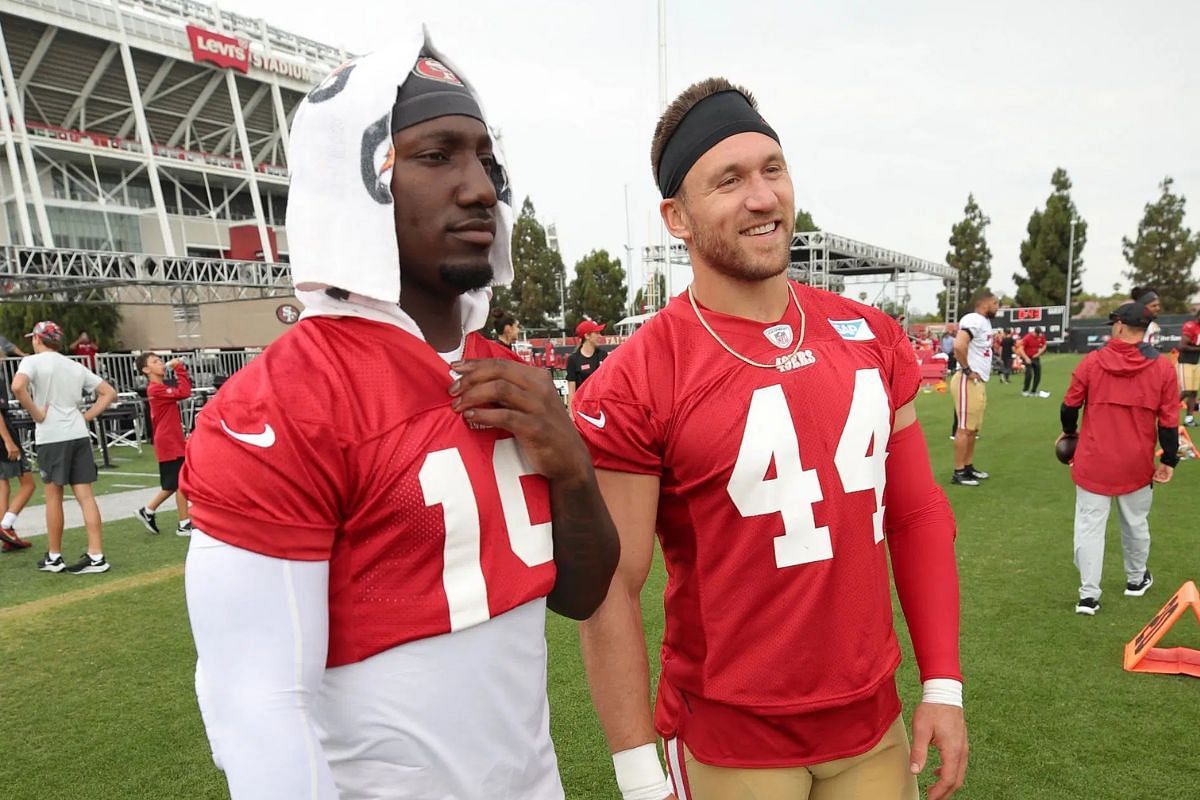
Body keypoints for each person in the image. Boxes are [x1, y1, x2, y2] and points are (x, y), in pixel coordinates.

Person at [180, 39, 619, 800]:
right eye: (437, 156)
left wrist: (574, 467)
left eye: (485, 159)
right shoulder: (288, 400)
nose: (480, 188)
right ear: (355, 183)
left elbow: (581, 594)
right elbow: (255, 704)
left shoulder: (503, 369)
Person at [573, 78, 965, 800]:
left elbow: (913, 512)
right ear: (677, 217)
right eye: (729, 180)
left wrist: (942, 681)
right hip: (734, 740)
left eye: (772, 169)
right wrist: (637, 776)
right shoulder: (638, 376)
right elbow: (611, 588)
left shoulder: (869, 335)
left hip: (871, 724)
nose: (762, 197)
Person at [1059, 302, 1179, 615]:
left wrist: (1068, 433)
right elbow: (1168, 421)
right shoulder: (1163, 366)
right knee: (1136, 524)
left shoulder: (1092, 361)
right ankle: (1136, 580)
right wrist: (1169, 460)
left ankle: (1088, 596)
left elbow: (1069, 406)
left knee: (1089, 527)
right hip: (1136, 461)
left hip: (1094, 458)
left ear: (1121, 326)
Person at [10, 320, 117, 573]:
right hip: (78, 434)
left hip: (52, 435)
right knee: (86, 496)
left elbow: (17, 386)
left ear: (37, 339)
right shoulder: (73, 365)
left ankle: (55, 556)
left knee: (53, 497)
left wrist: (36, 412)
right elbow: (108, 392)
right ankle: (96, 555)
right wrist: (87, 417)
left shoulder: (31, 362)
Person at [134, 353, 193, 536]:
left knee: (173, 483)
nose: (160, 363)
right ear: (146, 370)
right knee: (180, 483)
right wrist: (179, 369)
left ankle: (148, 510)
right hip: (168, 441)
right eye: (155, 362)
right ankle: (183, 523)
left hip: (172, 439)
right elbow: (184, 392)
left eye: (160, 360)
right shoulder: (155, 389)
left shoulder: (161, 387)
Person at [951, 290, 998, 486]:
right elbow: (959, 346)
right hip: (967, 380)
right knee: (964, 428)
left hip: (978, 381)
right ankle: (958, 471)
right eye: (995, 303)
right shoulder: (973, 319)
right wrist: (968, 370)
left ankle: (968, 466)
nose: (997, 307)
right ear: (984, 303)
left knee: (973, 429)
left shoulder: (984, 322)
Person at [0, 392, 35, 551]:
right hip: (3, 435)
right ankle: (5, 526)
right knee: (28, 484)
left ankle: (7, 536)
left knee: (2, 484)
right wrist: (8, 441)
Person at [565, 318, 607, 409]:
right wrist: (572, 416)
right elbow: (571, 392)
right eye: (596, 333)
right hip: (583, 408)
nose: (600, 336)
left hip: (601, 408)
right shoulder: (573, 359)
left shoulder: (603, 355)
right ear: (587, 336)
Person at [1177, 309, 1199, 425]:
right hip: (1185, 362)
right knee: (1186, 390)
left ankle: (1189, 419)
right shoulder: (1191, 326)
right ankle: (1165, 409)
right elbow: (1181, 346)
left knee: (1194, 392)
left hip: (1196, 362)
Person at [1019, 326, 1049, 398]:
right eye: (1038, 334)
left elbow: (1044, 345)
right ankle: (1025, 390)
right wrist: (1026, 358)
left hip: (1036, 357)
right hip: (1028, 357)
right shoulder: (1027, 338)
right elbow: (1021, 349)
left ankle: (1033, 390)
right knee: (1029, 374)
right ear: (1035, 332)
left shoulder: (1041, 336)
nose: (1039, 336)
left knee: (1038, 374)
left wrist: (1039, 353)